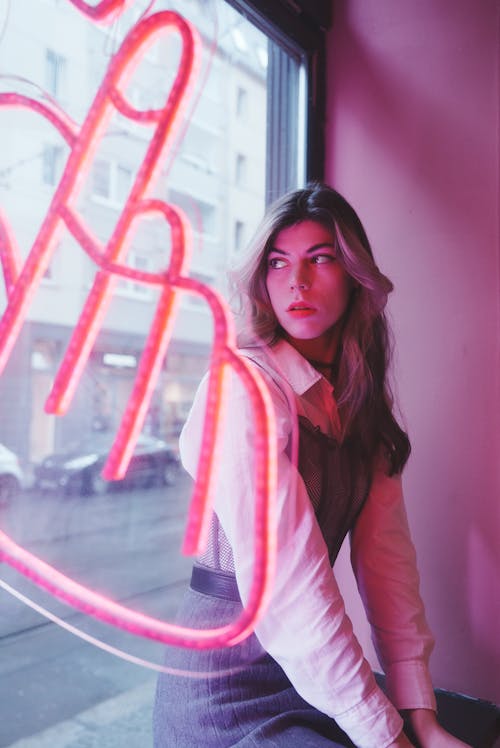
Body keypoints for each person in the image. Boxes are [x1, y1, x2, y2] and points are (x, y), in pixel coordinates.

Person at [153, 183, 471, 748]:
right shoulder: (242, 387)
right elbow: (288, 589)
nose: (295, 282)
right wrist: (385, 734)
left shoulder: (357, 405)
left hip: (310, 681)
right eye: (278, 263)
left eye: (319, 259)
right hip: (223, 694)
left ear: (354, 275)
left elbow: (389, 569)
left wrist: (419, 715)